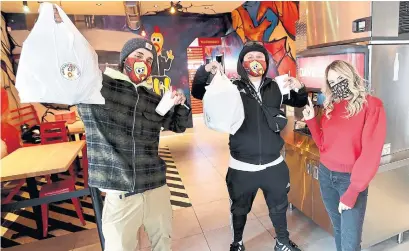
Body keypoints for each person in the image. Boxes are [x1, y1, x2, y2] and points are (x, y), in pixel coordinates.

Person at [76, 37, 191, 251]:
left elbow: (177, 126)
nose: (144, 63)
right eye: (139, 56)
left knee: (163, 243)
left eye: (149, 60)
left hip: (155, 184)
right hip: (120, 191)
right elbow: (64, 93)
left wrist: (181, 106)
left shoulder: (152, 97)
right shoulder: (98, 86)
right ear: (124, 59)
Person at [192, 41, 308, 251]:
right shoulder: (232, 87)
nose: (255, 61)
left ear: (266, 62)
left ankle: (282, 242)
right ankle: (237, 243)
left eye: (260, 57)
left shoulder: (276, 86)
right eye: (250, 57)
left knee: (279, 207)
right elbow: (199, 93)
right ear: (241, 62)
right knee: (239, 209)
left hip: (274, 163)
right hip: (241, 165)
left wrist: (299, 88)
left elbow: (299, 102)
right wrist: (204, 70)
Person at [302, 60, 386, 251]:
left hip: (350, 180)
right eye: (332, 82)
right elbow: (324, 145)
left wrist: (354, 190)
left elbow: (371, 153)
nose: (337, 84)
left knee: (350, 242)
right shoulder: (331, 106)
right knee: (339, 230)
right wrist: (311, 121)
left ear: (352, 76)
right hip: (326, 176)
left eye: (340, 78)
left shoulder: (372, 106)